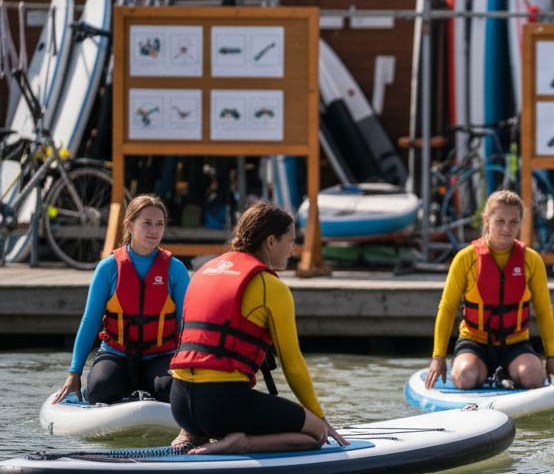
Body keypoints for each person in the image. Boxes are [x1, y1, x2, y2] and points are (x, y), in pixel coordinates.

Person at [168, 202, 346, 454]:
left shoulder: (205, 270)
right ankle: (240, 443)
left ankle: (191, 435)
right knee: (315, 434)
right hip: (220, 407)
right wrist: (320, 418)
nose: (292, 250)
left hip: (180, 406)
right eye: (290, 241)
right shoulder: (270, 287)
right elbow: (292, 364)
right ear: (271, 241)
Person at [52, 194, 190, 405]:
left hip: (161, 356)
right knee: (100, 389)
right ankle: (120, 388)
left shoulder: (176, 269)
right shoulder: (108, 268)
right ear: (129, 225)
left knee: (171, 390)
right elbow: (90, 322)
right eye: (147, 223)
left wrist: (192, 371)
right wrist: (74, 372)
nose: (154, 230)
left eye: (159, 224)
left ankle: (149, 390)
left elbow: (188, 325)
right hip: (117, 355)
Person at [424, 190, 554, 390]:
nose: (507, 228)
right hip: (475, 342)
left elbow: (544, 310)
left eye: (514, 222)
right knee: (465, 376)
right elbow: (447, 308)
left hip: (515, 344)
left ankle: (509, 374)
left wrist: (552, 358)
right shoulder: (466, 258)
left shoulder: (532, 260)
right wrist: (438, 357)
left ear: (521, 223)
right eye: (500, 221)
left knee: (533, 377)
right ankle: (481, 372)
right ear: (487, 220)